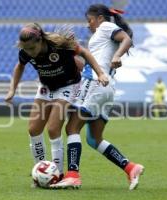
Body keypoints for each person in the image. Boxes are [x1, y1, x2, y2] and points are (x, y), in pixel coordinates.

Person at [51, 4, 144, 190]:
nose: (88, 25)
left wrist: (117, 56)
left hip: (95, 83)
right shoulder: (99, 38)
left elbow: (126, 39)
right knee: (94, 139)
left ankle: (72, 175)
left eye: (90, 20)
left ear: (100, 18)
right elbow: (87, 62)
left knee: (72, 127)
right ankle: (131, 167)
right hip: (107, 87)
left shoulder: (105, 26)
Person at [5, 23, 108, 185]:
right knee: (33, 129)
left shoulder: (60, 45)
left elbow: (84, 53)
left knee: (53, 128)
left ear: (40, 41)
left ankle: (58, 175)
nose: (29, 52)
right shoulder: (26, 51)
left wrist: (100, 73)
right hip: (46, 87)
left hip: (69, 85)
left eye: (32, 48)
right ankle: (40, 171)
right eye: (26, 49)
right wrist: (12, 89)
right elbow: (19, 67)